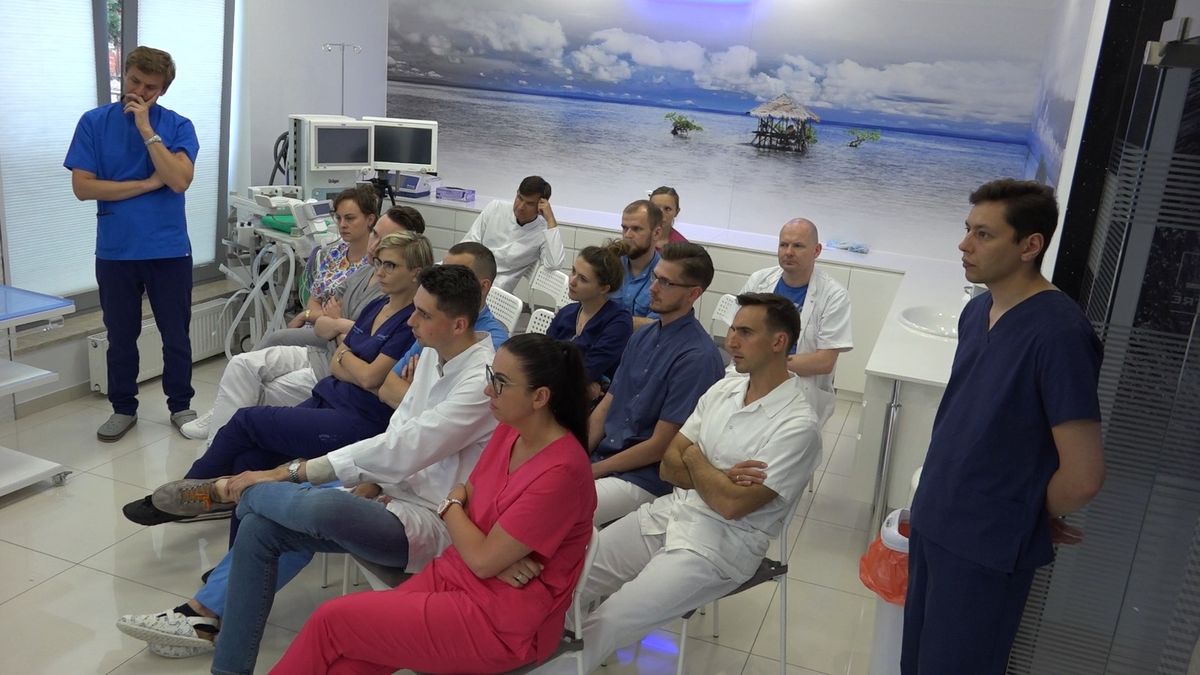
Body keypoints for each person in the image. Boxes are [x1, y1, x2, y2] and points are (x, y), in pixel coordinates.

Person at [116, 264, 499, 665]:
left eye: (422, 314)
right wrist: (372, 481)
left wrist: (287, 472)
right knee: (263, 530)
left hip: (429, 518)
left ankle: (233, 492)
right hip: (387, 490)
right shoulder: (436, 354)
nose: (411, 321)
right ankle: (203, 621)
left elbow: (408, 447)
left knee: (313, 504)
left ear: (458, 324)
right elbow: (398, 429)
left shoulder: (479, 383)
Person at [270, 333, 596, 674]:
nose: (488, 390)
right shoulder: (511, 430)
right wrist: (476, 535)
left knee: (331, 621)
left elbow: (477, 545)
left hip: (502, 620)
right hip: (457, 574)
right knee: (350, 665)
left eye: (500, 383)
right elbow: (470, 504)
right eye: (490, 375)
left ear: (540, 397)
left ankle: (256, 490)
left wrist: (451, 508)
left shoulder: (561, 473)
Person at [539, 293, 822, 673]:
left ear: (779, 342)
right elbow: (669, 465)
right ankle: (515, 655)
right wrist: (716, 473)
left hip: (719, 547)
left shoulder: (797, 426)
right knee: (563, 579)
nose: (731, 341)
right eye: (732, 330)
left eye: (744, 332)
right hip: (671, 512)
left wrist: (694, 457)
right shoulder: (724, 390)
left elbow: (731, 505)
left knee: (611, 619)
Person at [903, 179, 1105, 674]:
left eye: (984, 234)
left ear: (1029, 245)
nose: (964, 245)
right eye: (967, 229)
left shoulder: (1060, 335)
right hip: (935, 520)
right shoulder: (978, 311)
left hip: (984, 548)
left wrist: (1023, 512)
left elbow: (1083, 477)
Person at [121, 232, 430, 528]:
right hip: (329, 396)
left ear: (416, 273)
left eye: (391, 265)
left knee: (247, 420)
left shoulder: (411, 323)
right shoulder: (377, 306)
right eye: (379, 263)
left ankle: (186, 495)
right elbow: (340, 366)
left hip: (360, 420)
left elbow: (370, 376)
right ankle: (220, 517)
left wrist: (346, 357)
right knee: (249, 459)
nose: (380, 272)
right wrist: (350, 362)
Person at [179, 208, 425, 440]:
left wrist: (337, 328)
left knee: (259, 392)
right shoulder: (364, 273)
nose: (375, 245)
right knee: (242, 364)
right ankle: (218, 426)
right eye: (375, 235)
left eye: (386, 241)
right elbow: (326, 324)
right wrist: (337, 325)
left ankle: (219, 438)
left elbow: (360, 353)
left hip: (334, 369)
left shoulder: (392, 295)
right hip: (327, 352)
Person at [65, 46, 200, 442]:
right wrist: (144, 185)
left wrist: (146, 129)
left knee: (176, 334)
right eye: (134, 81)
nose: (138, 92)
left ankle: (181, 406)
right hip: (117, 250)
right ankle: (123, 408)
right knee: (120, 336)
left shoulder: (178, 126)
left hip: (169, 249)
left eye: (150, 88)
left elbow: (178, 180)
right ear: (124, 74)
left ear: (163, 91)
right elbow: (83, 187)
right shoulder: (93, 123)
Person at [589, 242, 725, 525]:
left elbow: (661, 446)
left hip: (644, 478)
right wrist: (577, 455)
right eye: (655, 277)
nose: (653, 287)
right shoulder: (642, 336)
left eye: (666, 282)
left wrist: (593, 471)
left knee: (557, 507)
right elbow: (606, 405)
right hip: (606, 457)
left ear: (693, 294)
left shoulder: (696, 358)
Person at [736, 218, 853, 425]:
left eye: (798, 246)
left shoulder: (834, 295)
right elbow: (737, 335)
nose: (788, 252)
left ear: (816, 251)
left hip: (800, 387)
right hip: (749, 378)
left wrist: (765, 362)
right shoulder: (759, 281)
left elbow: (824, 362)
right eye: (783, 245)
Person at [547, 241, 634, 401]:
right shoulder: (567, 313)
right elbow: (543, 355)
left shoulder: (618, 322)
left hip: (598, 402)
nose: (572, 281)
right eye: (573, 271)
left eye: (583, 279)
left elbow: (589, 370)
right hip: (560, 390)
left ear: (604, 288)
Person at [288, 185, 378, 329]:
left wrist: (306, 316)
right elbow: (314, 301)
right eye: (338, 218)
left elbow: (356, 319)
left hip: (343, 334)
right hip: (316, 326)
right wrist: (310, 315)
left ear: (370, 219)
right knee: (276, 339)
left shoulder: (375, 265)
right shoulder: (335, 254)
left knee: (277, 339)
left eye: (350, 218)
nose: (342, 225)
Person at [461, 175, 565, 293]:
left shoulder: (543, 231)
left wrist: (550, 219)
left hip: (496, 291)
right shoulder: (496, 207)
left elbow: (554, 264)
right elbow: (468, 243)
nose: (520, 207)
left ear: (541, 205)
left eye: (529, 203)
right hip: (469, 275)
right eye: (519, 198)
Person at [612, 199, 665, 330]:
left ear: (656, 233)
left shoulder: (665, 277)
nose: (627, 235)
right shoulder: (610, 264)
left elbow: (657, 325)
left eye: (636, 229)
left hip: (641, 342)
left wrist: (610, 321)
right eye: (624, 228)